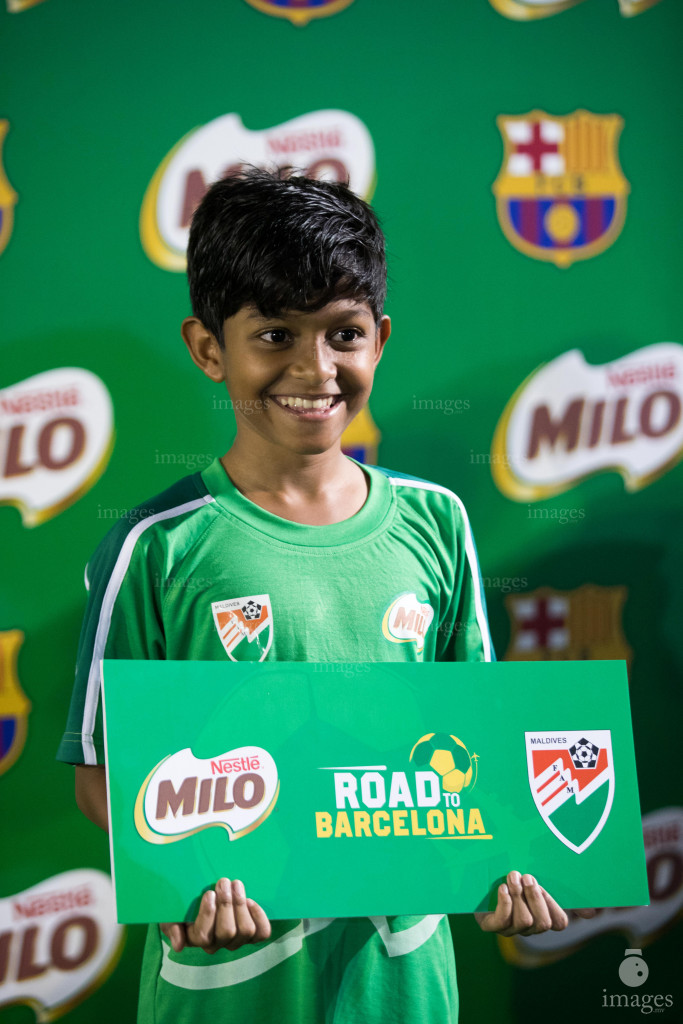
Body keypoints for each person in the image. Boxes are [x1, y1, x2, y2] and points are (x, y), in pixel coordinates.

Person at [57, 168, 594, 1023]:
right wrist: (185, 876)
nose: (315, 369)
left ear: (378, 338)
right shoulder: (153, 546)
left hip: (402, 985)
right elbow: (99, 776)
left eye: (342, 334)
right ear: (207, 347)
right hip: (228, 988)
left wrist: (509, 866)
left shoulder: (436, 519)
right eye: (273, 334)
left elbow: (479, 749)